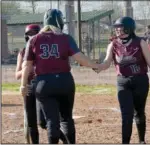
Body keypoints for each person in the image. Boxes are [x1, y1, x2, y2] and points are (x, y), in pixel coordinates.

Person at [19, 9, 99, 144]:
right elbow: (79, 58)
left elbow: (26, 65)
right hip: (64, 81)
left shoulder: (33, 40)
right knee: (67, 118)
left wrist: (22, 85)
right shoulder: (65, 37)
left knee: (51, 121)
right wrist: (95, 66)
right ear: (59, 22)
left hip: (43, 83)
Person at [95, 17, 150, 144]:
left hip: (140, 81)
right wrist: (98, 67)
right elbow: (106, 62)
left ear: (128, 28)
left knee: (139, 113)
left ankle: (141, 140)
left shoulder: (140, 42)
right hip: (123, 82)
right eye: (116, 27)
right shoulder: (113, 44)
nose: (117, 30)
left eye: (120, 27)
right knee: (126, 115)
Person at [15, 24, 41, 144]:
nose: (32, 37)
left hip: (43, 86)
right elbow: (17, 75)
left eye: (35, 34)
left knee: (46, 122)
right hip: (29, 86)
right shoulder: (23, 52)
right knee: (31, 123)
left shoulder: (42, 49)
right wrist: (28, 68)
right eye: (30, 35)